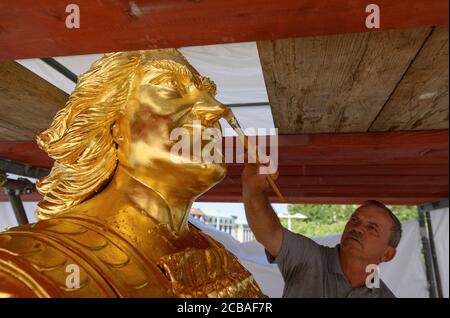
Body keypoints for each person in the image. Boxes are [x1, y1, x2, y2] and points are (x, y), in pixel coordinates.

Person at [0, 49, 264, 298]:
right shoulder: (23, 271)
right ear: (115, 126)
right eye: (171, 87)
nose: (216, 109)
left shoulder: (216, 255)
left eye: (209, 93)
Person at [242, 163, 401, 297]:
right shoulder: (309, 258)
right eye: (354, 220)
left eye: (372, 227)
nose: (357, 228)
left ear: (387, 254)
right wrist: (254, 192)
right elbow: (269, 233)